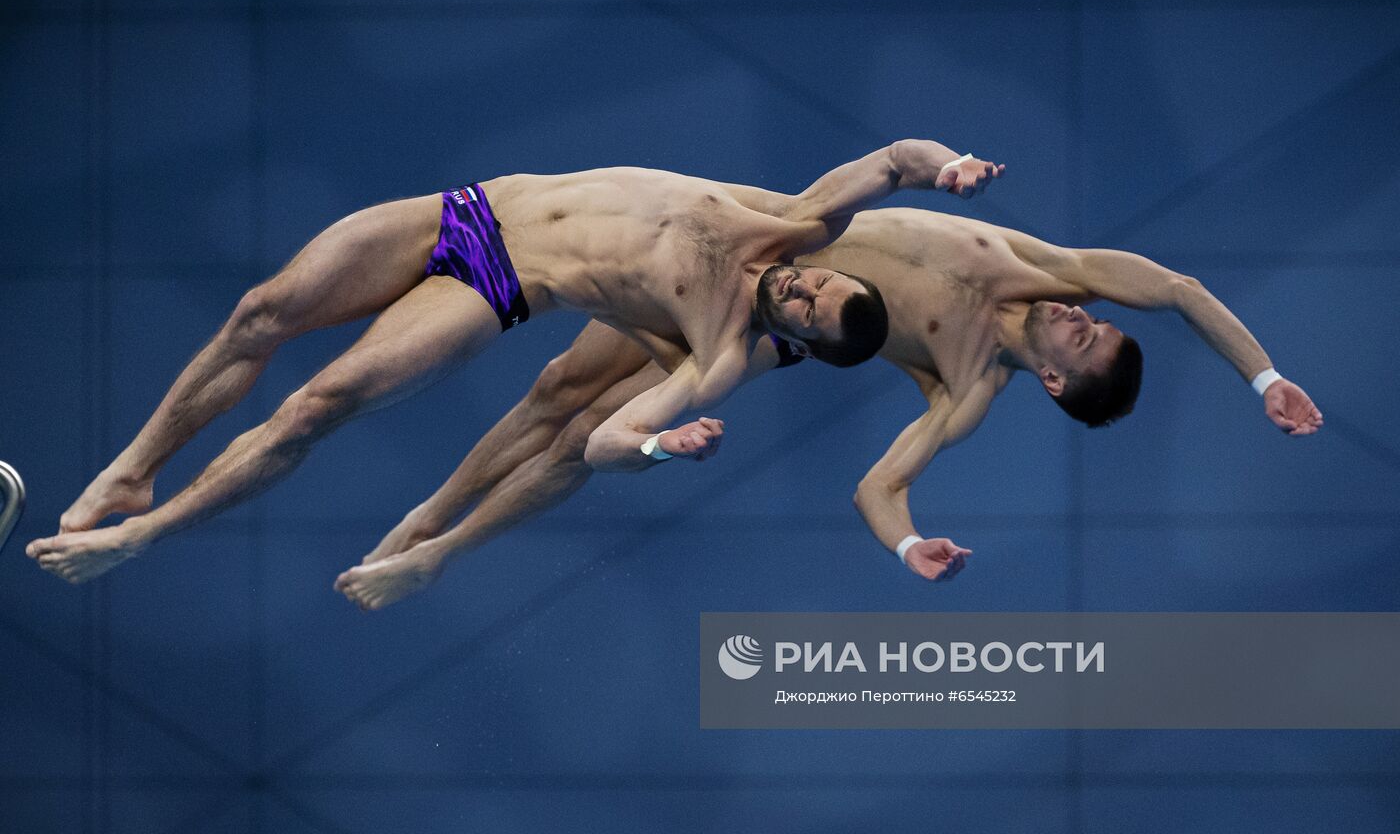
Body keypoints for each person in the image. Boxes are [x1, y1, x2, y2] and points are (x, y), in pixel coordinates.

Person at [28, 140, 1005, 584]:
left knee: (321, 402)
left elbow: (608, 441)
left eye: (811, 310)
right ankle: (137, 462)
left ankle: (146, 531)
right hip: (473, 209)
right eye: (816, 283)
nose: (800, 289)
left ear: (798, 341)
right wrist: (949, 166)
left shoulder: (713, 350)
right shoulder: (788, 223)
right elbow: (892, 159)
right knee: (262, 310)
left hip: (499, 281)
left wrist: (666, 448)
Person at [328, 196, 1321, 610]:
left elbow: (877, 488)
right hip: (761, 258)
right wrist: (1265, 378)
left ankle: (435, 556)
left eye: (1083, 335)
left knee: (593, 432)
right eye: (1093, 316)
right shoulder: (1046, 264)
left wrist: (907, 545)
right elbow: (1183, 291)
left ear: (1056, 380)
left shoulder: (965, 386)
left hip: (772, 328)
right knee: (554, 386)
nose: (1078, 311)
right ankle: (420, 513)